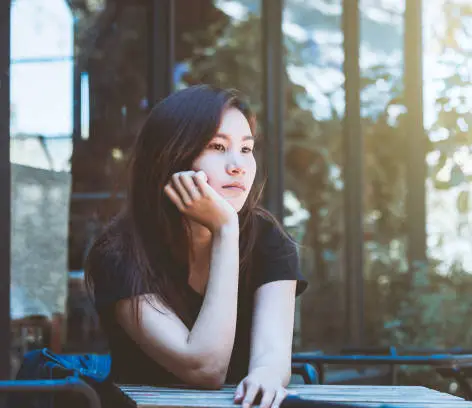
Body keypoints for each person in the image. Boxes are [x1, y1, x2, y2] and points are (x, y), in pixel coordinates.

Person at [84, 85, 308, 408]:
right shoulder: (120, 253)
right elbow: (204, 367)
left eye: (246, 149)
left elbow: (271, 359)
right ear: (173, 157)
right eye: (218, 146)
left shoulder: (268, 240)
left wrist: (266, 376)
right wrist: (225, 231)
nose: (238, 166)